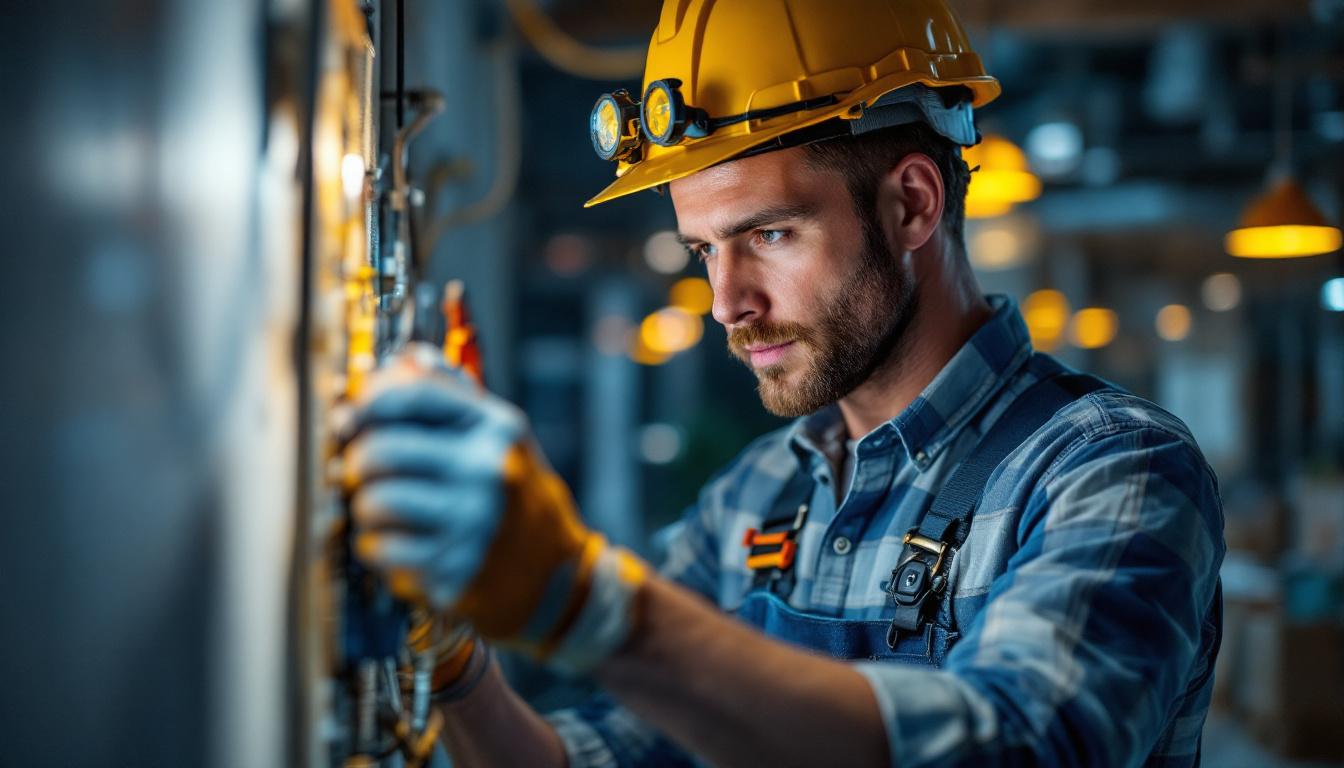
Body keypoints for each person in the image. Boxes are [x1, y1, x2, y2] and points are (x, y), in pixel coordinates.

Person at [340, 1, 1225, 765]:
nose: (727, 303)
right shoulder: (756, 499)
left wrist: (593, 607)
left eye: (768, 235)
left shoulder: (1109, 468)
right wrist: (452, 659)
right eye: (704, 250)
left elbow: (1019, 746)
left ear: (912, 204)